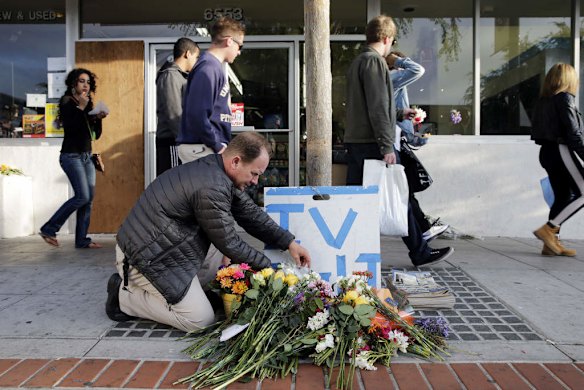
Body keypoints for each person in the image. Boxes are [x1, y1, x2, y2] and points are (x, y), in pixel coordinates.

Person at [106, 131, 311, 331]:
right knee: (200, 320)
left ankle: (189, 292)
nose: (255, 181)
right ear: (236, 162)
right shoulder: (211, 186)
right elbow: (230, 243)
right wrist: (272, 272)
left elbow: (250, 214)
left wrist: (289, 243)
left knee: (219, 270)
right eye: (254, 174)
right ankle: (125, 297)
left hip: (170, 246)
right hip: (145, 257)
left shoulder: (216, 169)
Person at [344, 15, 453, 267]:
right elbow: (377, 107)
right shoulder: (374, 63)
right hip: (372, 143)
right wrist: (385, 146)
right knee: (396, 197)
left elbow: (371, 106)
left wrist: (400, 113)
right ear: (386, 38)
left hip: (359, 141)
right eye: (391, 42)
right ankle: (419, 252)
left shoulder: (358, 62)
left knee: (361, 201)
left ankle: (354, 252)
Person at [39, 68, 108, 249]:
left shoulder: (88, 104)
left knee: (88, 198)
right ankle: (49, 228)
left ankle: (81, 240)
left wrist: (98, 119)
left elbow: (95, 135)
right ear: (73, 84)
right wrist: (82, 108)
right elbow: (71, 128)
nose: (85, 85)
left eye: (88, 82)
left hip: (86, 157)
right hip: (71, 156)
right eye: (81, 81)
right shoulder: (67, 102)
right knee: (82, 196)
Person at [386, 51, 449, 242]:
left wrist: (414, 136)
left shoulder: (392, 82)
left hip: (397, 142)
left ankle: (422, 231)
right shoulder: (392, 78)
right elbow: (417, 69)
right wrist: (396, 60)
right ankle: (421, 232)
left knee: (406, 191)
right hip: (393, 145)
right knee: (404, 191)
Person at [531, 63, 584, 257]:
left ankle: (550, 243)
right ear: (569, 80)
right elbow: (574, 134)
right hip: (561, 149)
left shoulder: (545, 100)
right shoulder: (565, 99)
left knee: (562, 196)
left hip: (548, 151)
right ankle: (549, 229)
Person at [177, 16, 245, 163]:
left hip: (204, 148)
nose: (239, 52)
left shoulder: (211, 67)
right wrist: (217, 146)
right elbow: (197, 114)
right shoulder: (208, 68)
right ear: (229, 41)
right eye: (240, 46)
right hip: (202, 149)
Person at [155, 37, 200, 176]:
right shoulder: (170, 75)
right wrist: (186, 142)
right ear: (187, 54)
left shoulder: (181, 76)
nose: (197, 61)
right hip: (172, 143)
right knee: (173, 185)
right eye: (196, 57)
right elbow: (173, 113)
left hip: (178, 142)